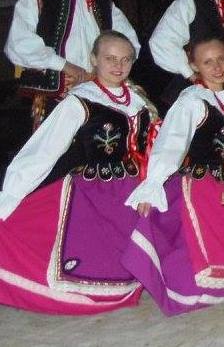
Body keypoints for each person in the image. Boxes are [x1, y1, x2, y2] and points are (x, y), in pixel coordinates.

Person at [0, 31, 152, 314]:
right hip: (93, 195)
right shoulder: (80, 101)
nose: (118, 65)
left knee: (126, 274)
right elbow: (43, 150)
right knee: (99, 270)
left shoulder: (139, 102)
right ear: (93, 59)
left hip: (130, 195)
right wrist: (9, 197)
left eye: (125, 59)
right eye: (110, 58)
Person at [122, 37, 224, 315]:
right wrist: (152, 185)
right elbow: (171, 143)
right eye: (208, 62)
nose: (217, 67)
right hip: (202, 187)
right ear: (194, 66)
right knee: (197, 255)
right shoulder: (192, 100)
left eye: (221, 59)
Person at [4, 0, 140, 128]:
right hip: (54, 98)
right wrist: (64, 66)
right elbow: (18, 44)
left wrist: (101, 73)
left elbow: (129, 44)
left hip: (98, 95)